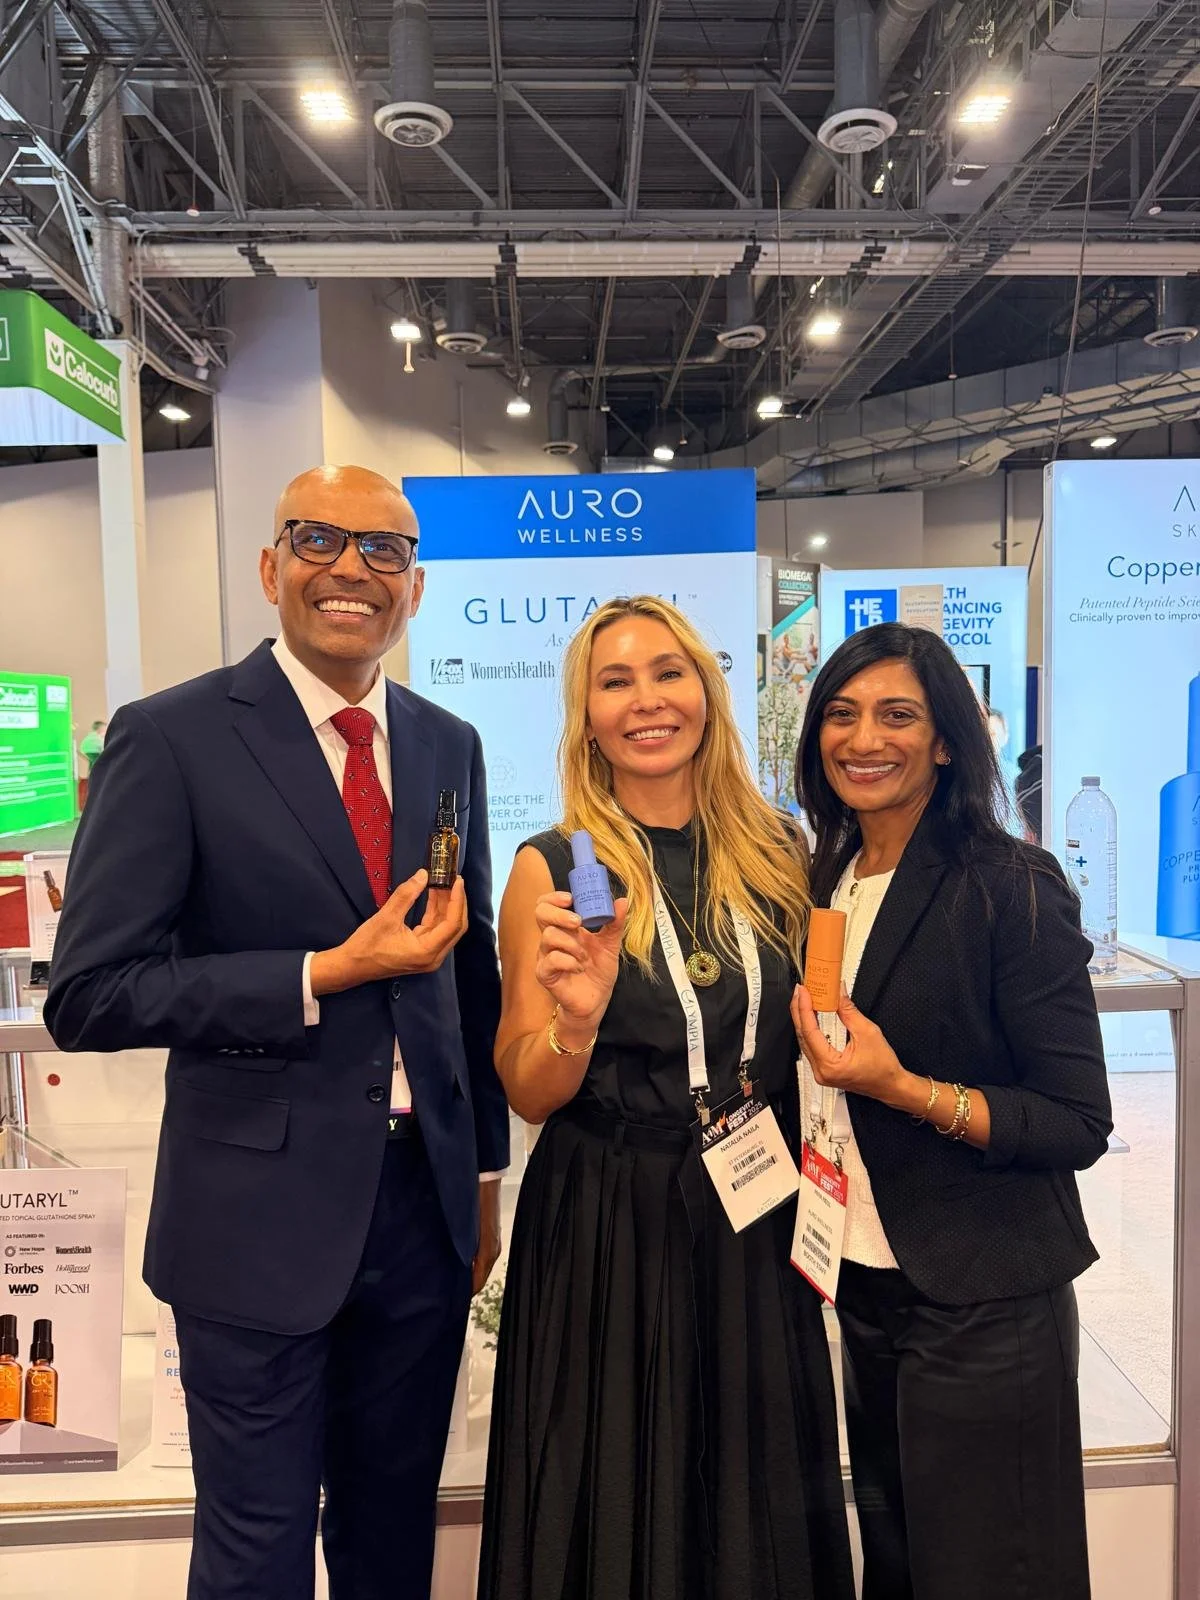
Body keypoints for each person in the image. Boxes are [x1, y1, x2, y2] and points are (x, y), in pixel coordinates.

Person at [45, 465, 509, 1600]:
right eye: (318, 538)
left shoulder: (448, 742)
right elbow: (91, 991)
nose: (351, 567)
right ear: (270, 566)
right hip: (253, 1224)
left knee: (392, 1536)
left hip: (423, 1215)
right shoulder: (173, 738)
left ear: (416, 589)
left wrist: (482, 1174)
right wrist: (320, 973)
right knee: (254, 1552)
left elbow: (470, 968)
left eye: (385, 550)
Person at [478, 596, 854, 1600]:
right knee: (610, 1489)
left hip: (751, 1209)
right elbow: (525, 1084)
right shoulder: (558, 868)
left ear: (706, 691)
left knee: (749, 1490)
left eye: (667, 672)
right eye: (615, 681)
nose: (647, 701)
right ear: (586, 716)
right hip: (609, 1219)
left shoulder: (781, 850)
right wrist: (578, 1021)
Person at [790, 622, 1111, 1600]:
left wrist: (901, 1087)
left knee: (989, 1573)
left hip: (984, 1298)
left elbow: (1073, 1119)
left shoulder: (1009, 885)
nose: (863, 738)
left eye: (898, 715)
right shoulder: (824, 880)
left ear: (944, 740)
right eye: (841, 714)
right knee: (895, 1569)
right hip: (863, 1276)